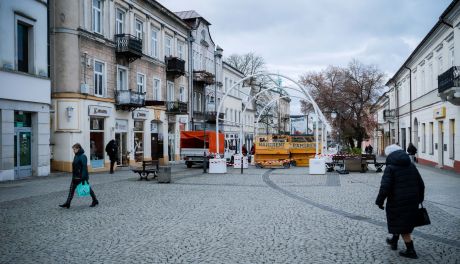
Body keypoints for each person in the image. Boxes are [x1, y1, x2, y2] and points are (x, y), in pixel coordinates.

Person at [375, 144, 425, 259]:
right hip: (412, 199)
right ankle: (394, 240)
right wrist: (419, 199)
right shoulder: (411, 165)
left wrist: (379, 201)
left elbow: (385, 187)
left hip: (397, 201)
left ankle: (410, 250)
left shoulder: (390, 167)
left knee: (402, 225)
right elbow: (421, 184)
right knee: (400, 221)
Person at [59, 143, 99, 208]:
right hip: (75, 176)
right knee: (71, 189)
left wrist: (83, 177)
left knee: (88, 189)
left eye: (74, 149)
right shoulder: (76, 156)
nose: (73, 150)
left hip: (81, 177)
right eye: (73, 149)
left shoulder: (83, 156)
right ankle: (68, 203)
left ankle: (95, 200)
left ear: (78, 149)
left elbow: (84, 167)